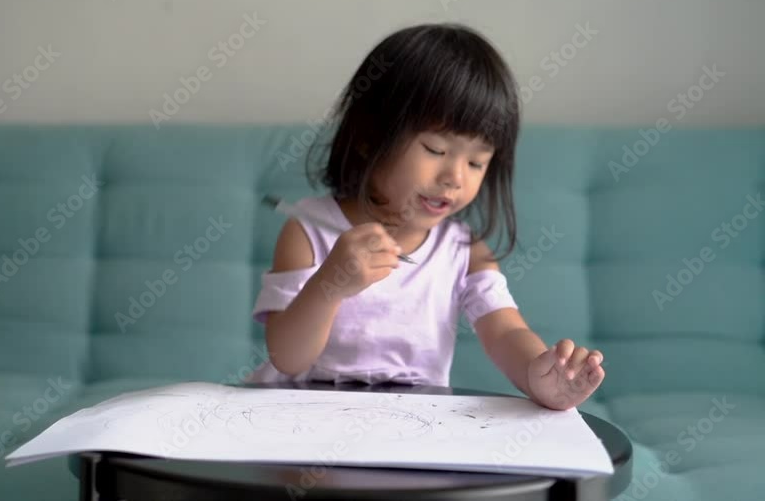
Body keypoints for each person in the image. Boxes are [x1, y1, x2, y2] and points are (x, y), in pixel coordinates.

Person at [247, 23, 604, 410]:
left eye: (476, 161)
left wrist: (541, 375)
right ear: (369, 137)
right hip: (301, 417)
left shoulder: (467, 252)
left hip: (410, 425)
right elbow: (288, 357)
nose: (454, 177)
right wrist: (329, 285)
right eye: (435, 149)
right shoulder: (308, 231)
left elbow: (504, 332)